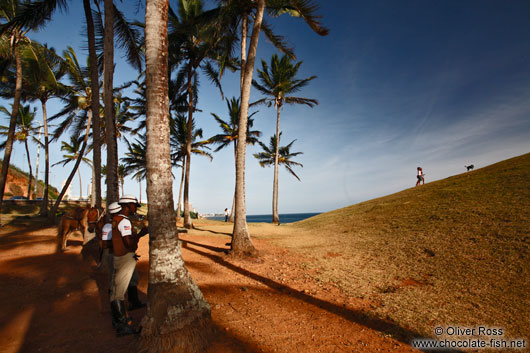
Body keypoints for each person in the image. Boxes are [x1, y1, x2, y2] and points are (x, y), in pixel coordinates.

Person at [109, 195, 149, 337]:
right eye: (134, 206)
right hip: (125, 258)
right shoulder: (124, 221)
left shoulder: (116, 219)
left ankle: (132, 304)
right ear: (128, 205)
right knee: (118, 292)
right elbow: (128, 242)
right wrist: (140, 235)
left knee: (131, 280)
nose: (134, 209)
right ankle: (121, 325)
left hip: (121, 256)